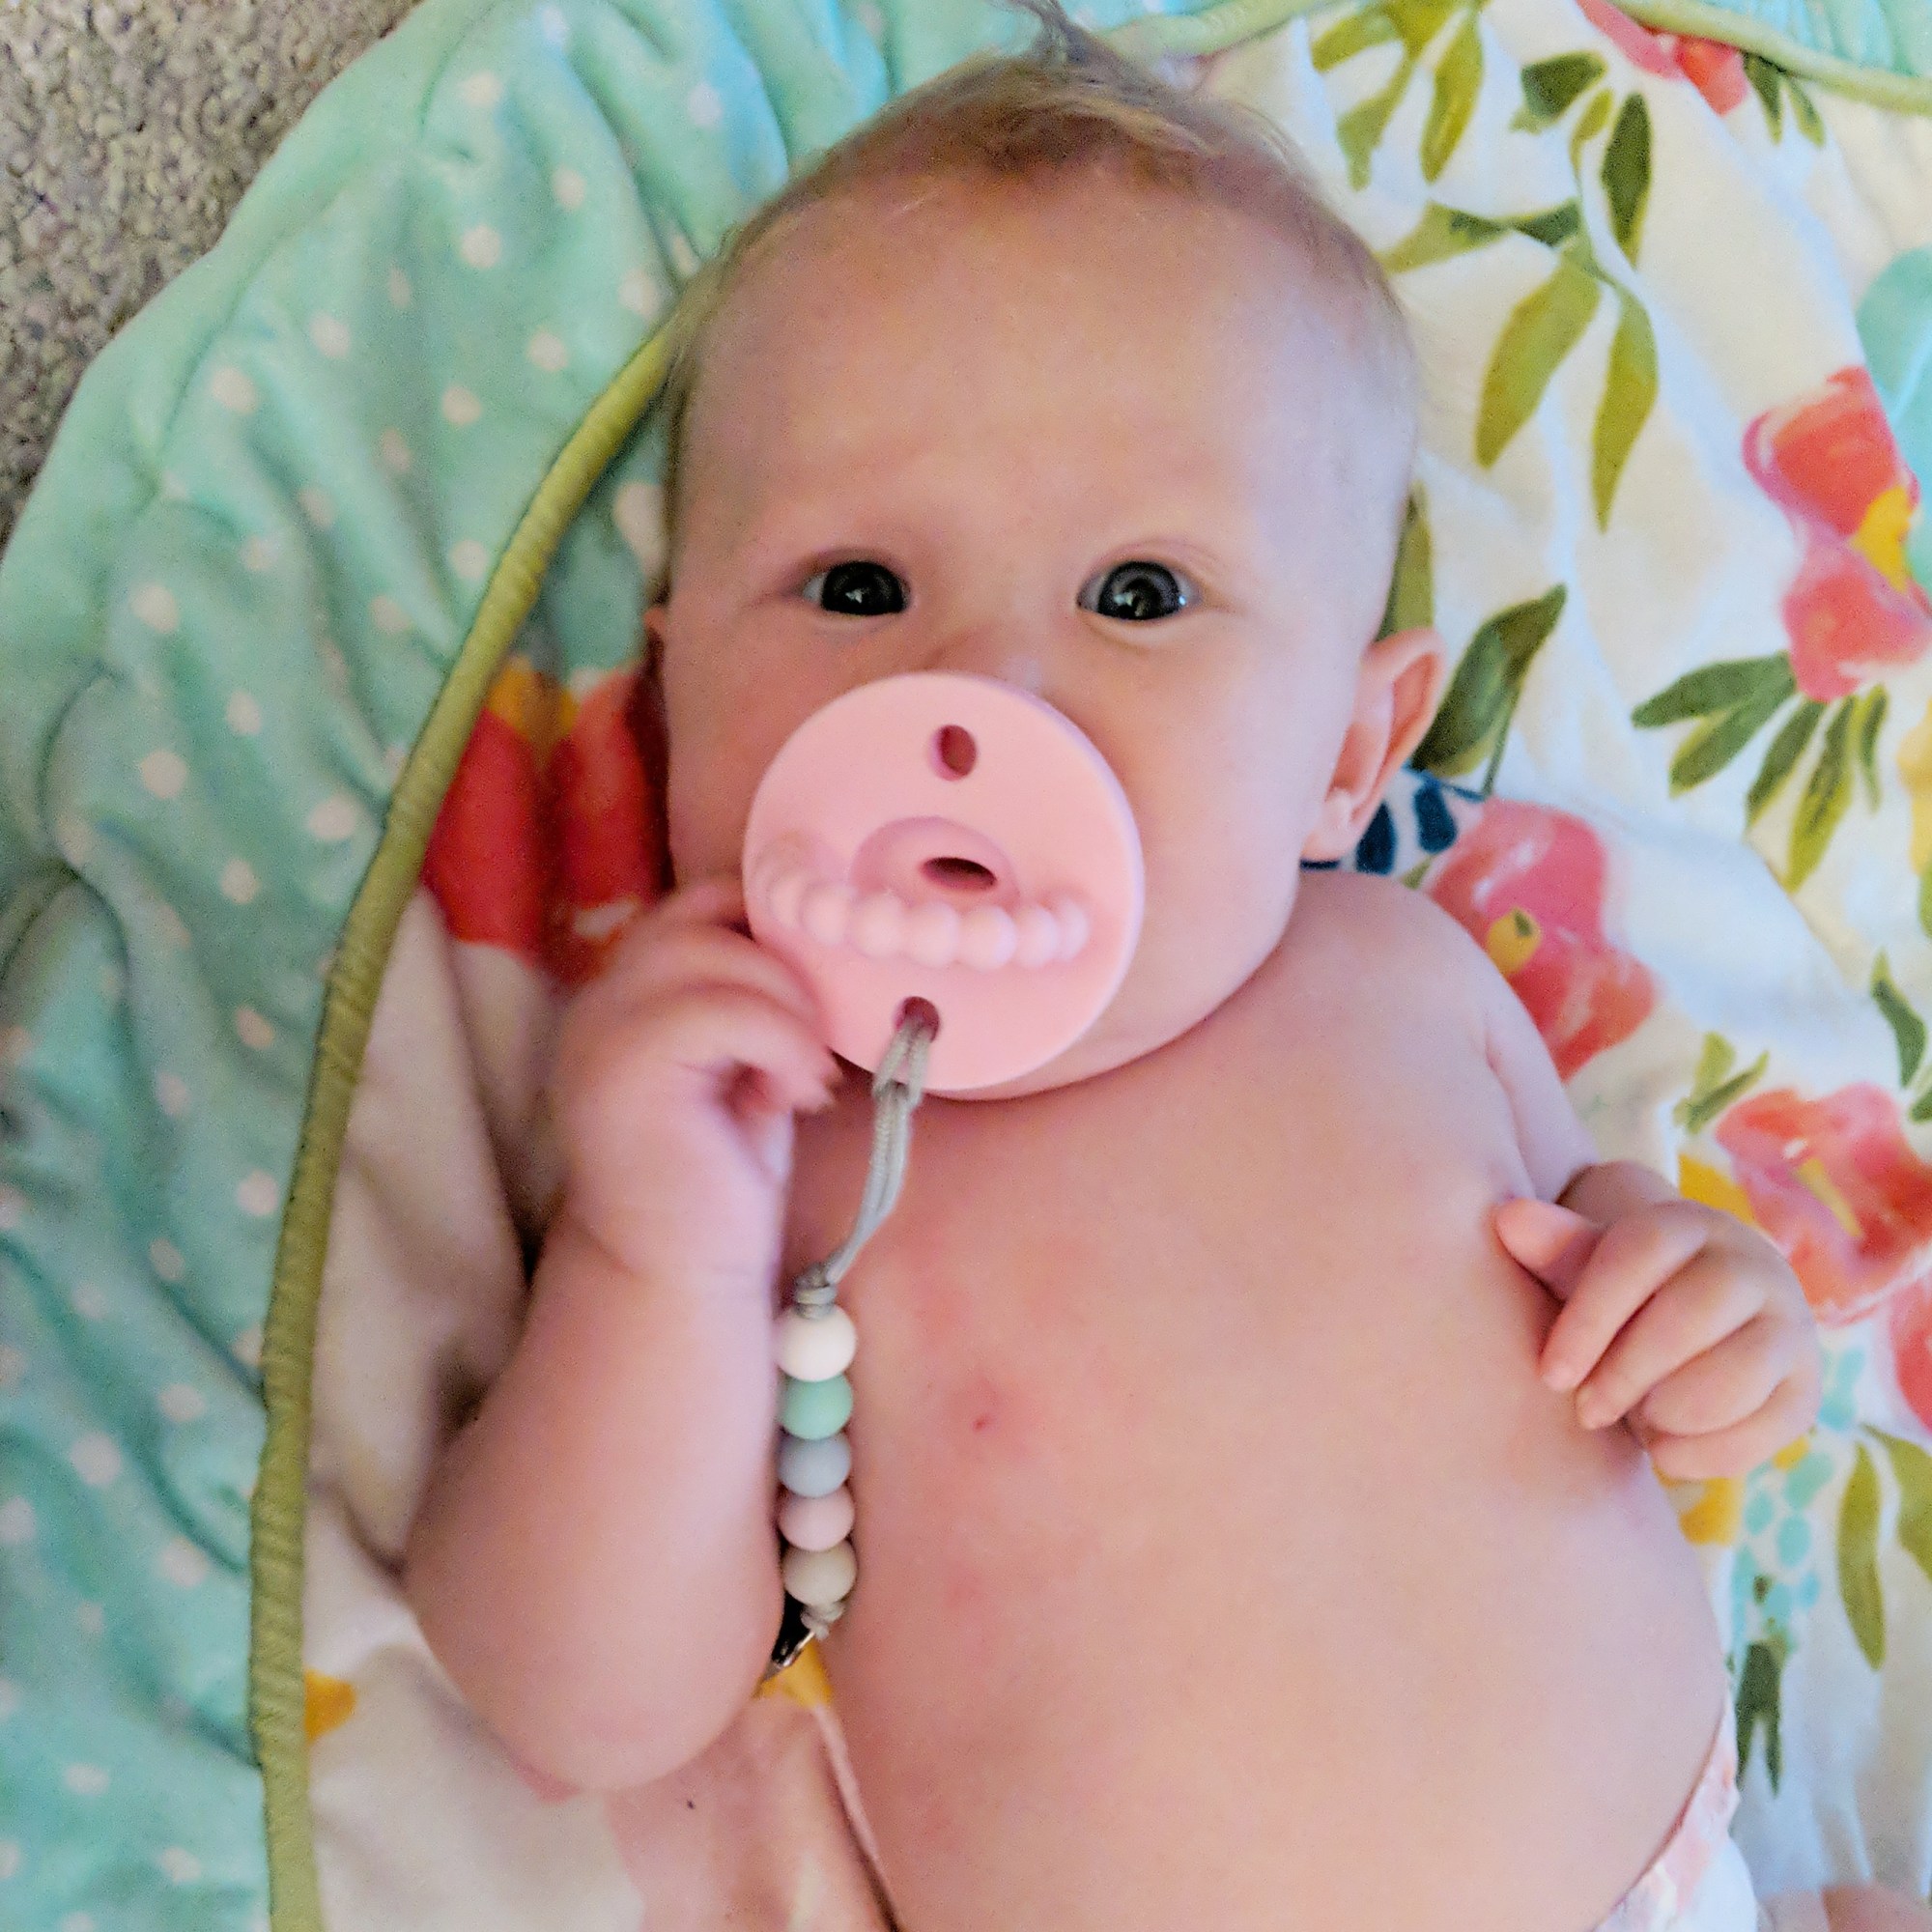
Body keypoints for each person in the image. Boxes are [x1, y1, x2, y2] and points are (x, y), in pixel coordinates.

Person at [404, 9, 1930, 1927]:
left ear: (1352, 752)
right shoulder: (755, 1144)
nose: (981, 690)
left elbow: (1592, 1241)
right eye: (857, 587)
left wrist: (1707, 1311)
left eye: (1139, 595)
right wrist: (653, 1248)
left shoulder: (1405, 979)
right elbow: (574, 1696)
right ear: (671, 691)